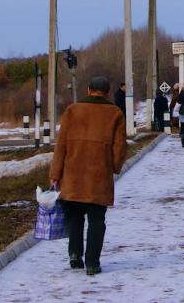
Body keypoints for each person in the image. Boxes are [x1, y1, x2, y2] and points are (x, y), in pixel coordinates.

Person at [50, 76, 127, 276]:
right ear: (108, 92)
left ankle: (75, 254)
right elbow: (120, 147)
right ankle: (92, 263)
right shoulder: (115, 113)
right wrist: (115, 167)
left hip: (72, 175)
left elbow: (62, 145)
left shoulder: (72, 111)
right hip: (98, 176)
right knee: (96, 220)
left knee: (74, 217)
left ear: (88, 89)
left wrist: (55, 174)